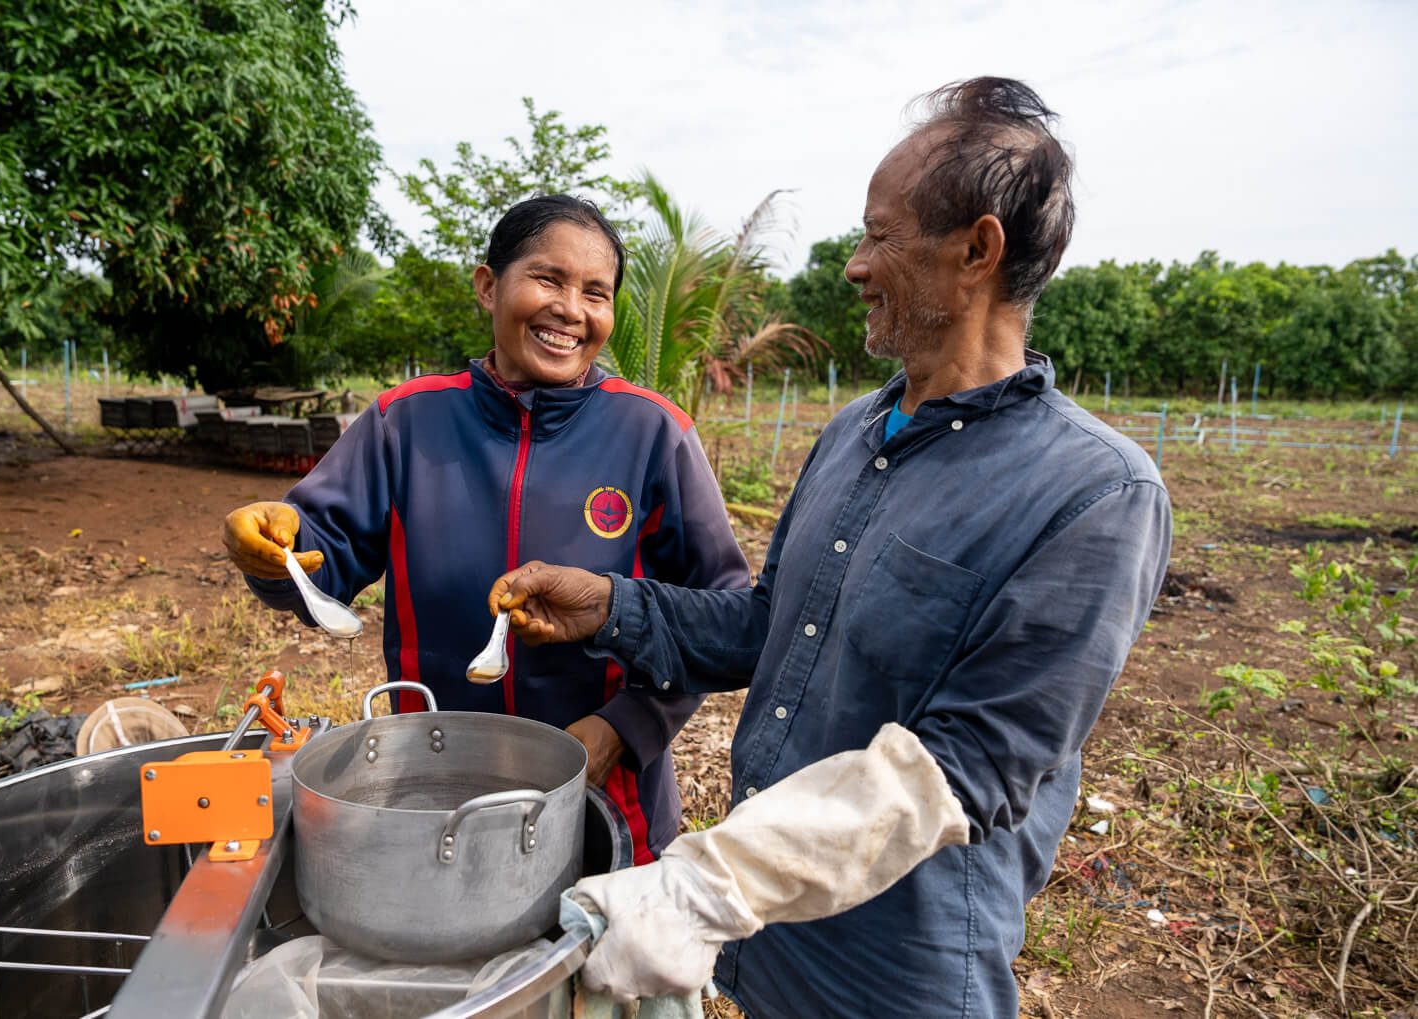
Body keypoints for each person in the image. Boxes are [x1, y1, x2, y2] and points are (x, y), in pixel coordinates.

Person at [490, 79, 1172, 1017]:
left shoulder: (1095, 491)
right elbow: (775, 626)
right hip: (775, 937)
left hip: (904, 966)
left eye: (878, 235)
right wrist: (611, 605)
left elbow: (971, 762)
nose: (854, 265)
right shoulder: (857, 430)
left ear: (977, 249)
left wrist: (704, 886)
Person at [222, 195, 750, 863]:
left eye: (597, 292)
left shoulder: (653, 432)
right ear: (487, 285)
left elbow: (720, 614)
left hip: (611, 798)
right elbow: (320, 557)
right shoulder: (405, 422)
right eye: (548, 279)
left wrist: (624, 729)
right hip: (438, 791)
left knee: (600, 960)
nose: (572, 310)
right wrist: (275, 549)